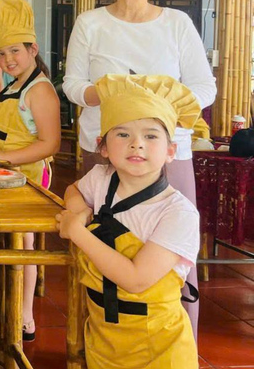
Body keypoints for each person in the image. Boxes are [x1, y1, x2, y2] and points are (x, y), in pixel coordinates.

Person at [62, 0, 216, 336]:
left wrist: (162, 106)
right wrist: (105, 94)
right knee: (102, 242)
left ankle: (179, 341)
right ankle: (100, 336)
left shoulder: (177, 24)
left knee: (172, 248)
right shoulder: (90, 23)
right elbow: (72, 84)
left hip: (167, 154)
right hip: (103, 150)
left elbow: (204, 87)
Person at [57, 74, 201, 369]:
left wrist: (78, 232)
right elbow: (74, 191)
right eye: (122, 134)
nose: (137, 145)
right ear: (103, 147)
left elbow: (136, 280)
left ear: (170, 151)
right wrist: (79, 211)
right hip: (104, 338)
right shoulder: (100, 178)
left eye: (151, 136)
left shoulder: (177, 213)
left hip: (159, 349)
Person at [0, 0, 60, 341]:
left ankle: (23, 315)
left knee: (22, 244)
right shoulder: (13, 84)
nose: (8, 60)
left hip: (28, 174)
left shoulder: (39, 90)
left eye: (15, 52)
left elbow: (50, 144)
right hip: (2, 171)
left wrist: (6, 156)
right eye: (2, 54)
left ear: (33, 49)